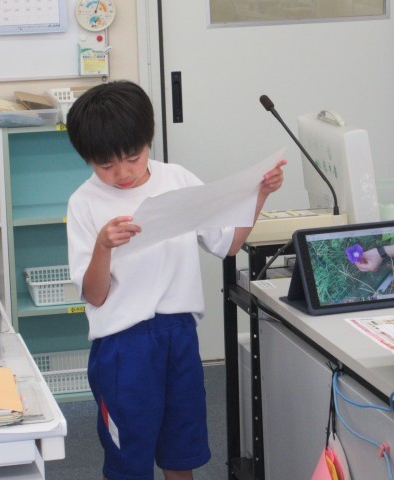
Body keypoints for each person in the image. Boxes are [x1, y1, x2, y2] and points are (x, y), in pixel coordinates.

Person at [64, 80, 286, 480]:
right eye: (106, 165)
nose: (122, 173)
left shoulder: (177, 179)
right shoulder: (84, 202)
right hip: (123, 345)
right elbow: (95, 295)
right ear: (87, 160)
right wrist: (103, 246)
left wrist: (260, 196)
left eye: (132, 158)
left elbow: (228, 244)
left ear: (148, 140)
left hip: (179, 334)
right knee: (128, 457)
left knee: (181, 449)